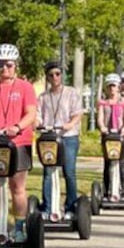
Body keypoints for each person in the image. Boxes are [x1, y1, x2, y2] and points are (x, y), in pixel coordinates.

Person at [0, 44, 37, 243]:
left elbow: (31, 113)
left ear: (16, 66)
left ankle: (19, 228)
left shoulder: (25, 87)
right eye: (1, 65)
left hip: (19, 142)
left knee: (17, 187)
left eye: (9, 65)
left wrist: (18, 127)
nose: (5, 69)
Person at [36, 62, 83, 220]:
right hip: (49, 138)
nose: (54, 77)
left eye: (57, 74)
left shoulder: (71, 93)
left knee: (69, 172)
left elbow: (78, 113)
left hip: (68, 137)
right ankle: (47, 208)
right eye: (51, 75)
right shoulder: (43, 97)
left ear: (62, 75)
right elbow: (37, 116)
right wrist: (37, 123)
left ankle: (70, 207)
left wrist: (70, 124)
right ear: (47, 78)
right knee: (48, 172)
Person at [96, 73, 124, 200]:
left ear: (118, 87)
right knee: (107, 163)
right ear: (106, 88)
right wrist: (102, 127)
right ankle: (106, 191)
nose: (112, 88)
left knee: (121, 162)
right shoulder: (102, 102)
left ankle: (123, 189)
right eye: (110, 86)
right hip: (107, 136)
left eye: (114, 86)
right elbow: (100, 118)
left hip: (120, 136)